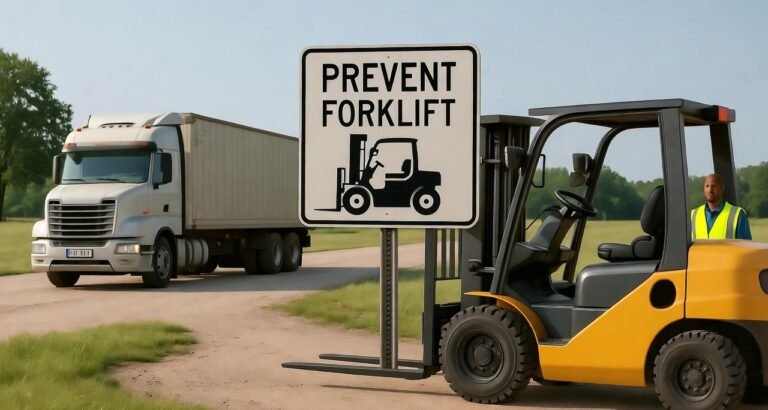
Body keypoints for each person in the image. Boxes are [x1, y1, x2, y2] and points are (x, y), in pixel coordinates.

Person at [690, 173, 752, 240]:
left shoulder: (738, 214)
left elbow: (746, 246)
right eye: (707, 186)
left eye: (713, 186)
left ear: (722, 188)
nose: (710, 190)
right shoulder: (693, 215)